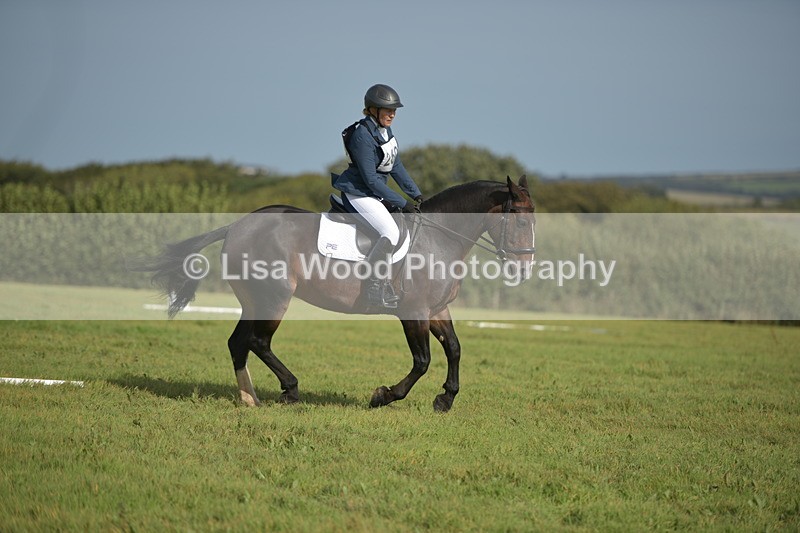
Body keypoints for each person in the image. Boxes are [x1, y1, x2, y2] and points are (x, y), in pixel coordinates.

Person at [331, 84, 424, 308]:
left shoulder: (385, 132)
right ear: (373, 109)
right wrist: (402, 202)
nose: (392, 114)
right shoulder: (362, 135)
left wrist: (417, 195)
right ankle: (373, 287)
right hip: (358, 193)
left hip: (374, 193)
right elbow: (371, 180)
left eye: (394, 111)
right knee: (390, 232)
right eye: (387, 110)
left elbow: (396, 166)